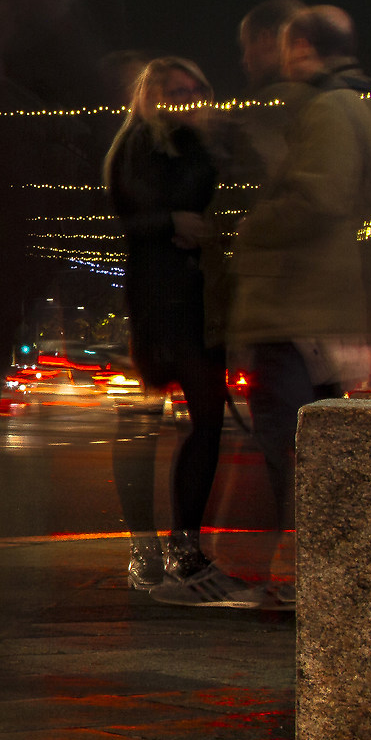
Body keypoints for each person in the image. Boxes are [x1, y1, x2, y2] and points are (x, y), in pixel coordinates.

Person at [105, 57, 258, 606]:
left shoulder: (200, 145)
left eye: (196, 88)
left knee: (202, 422)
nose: (188, 98)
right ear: (151, 95)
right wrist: (173, 222)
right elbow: (128, 214)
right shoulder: (139, 145)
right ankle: (154, 549)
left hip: (195, 298)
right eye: (175, 90)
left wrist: (204, 227)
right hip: (157, 300)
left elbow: (222, 206)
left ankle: (175, 548)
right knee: (150, 423)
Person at [229, 3, 371, 543]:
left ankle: (303, 567)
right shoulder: (350, 103)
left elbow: (318, 198)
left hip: (295, 309)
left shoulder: (330, 108)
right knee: (310, 449)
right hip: (315, 309)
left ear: (300, 47)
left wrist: (250, 229)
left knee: (293, 448)